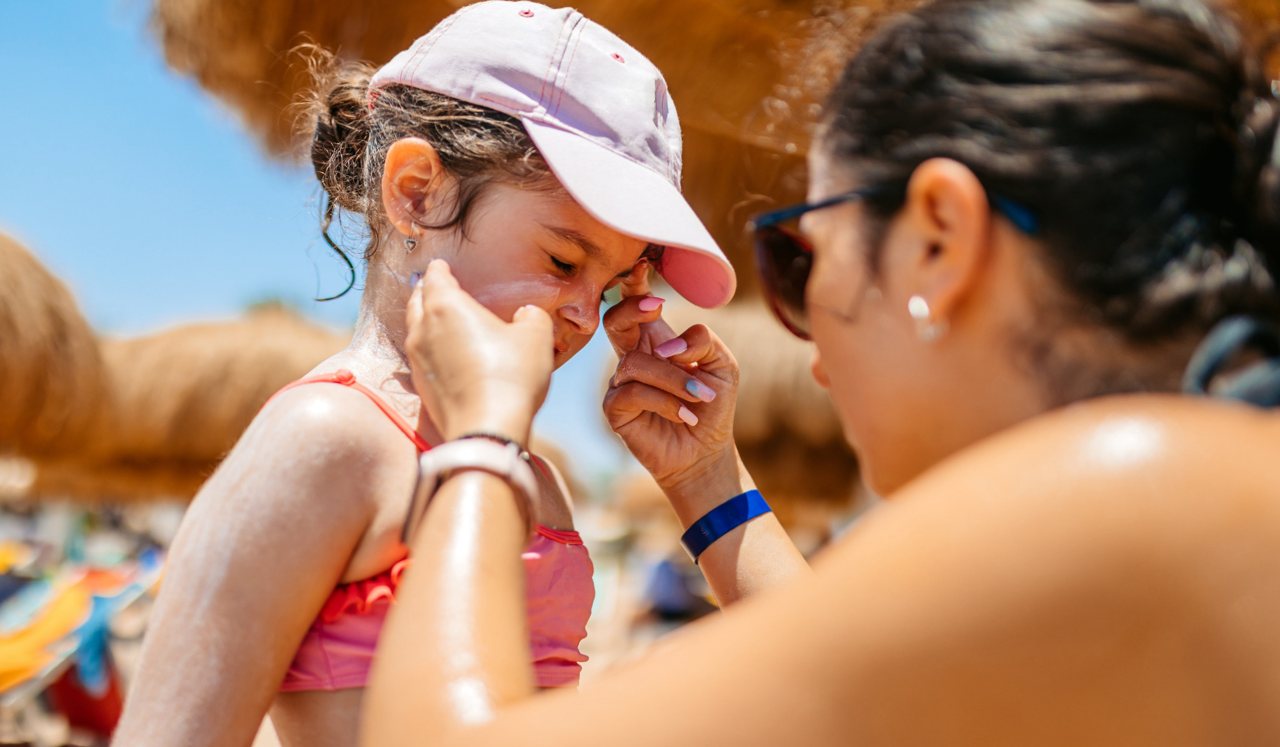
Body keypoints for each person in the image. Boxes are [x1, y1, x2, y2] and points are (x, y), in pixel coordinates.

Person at [364, 0, 1280, 744]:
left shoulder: (1129, 492)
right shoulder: (1196, 475)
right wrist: (706, 478)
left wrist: (480, 437)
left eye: (801, 258)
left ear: (937, 240)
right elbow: (848, 664)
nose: (811, 355)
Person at [111, 4, 742, 746]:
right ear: (415, 192)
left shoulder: (532, 475)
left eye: (608, 287)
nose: (581, 314)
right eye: (563, 262)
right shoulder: (326, 439)